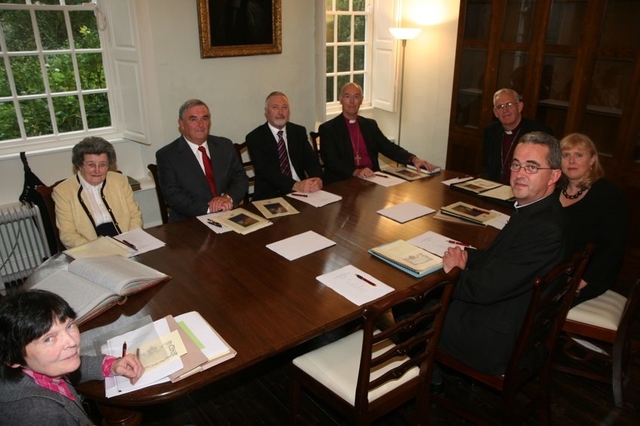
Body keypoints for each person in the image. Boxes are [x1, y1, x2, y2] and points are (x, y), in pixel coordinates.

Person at [437, 131, 566, 375]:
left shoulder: (545, 229)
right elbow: (499, 259)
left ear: (554, 176)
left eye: (531, 167)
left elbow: (485, 290)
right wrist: (463, 255)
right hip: (503, 312)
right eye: (516, 165)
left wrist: (455, 270)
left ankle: (425, 382)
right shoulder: (536, 210)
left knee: (411, 308)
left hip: (496, 338)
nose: (519, 174)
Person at [0, 289, 144, 425]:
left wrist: (110, 365)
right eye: (49, 339)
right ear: (13, 358)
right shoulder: (42, 416)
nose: (72, 341)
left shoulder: (43, 366)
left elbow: (74, 365)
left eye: (69, 325)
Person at [318, 82, 437, 184]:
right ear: (340, 99)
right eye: (347, 96)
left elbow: (388, 147)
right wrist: (356, 172)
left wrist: (413, 159)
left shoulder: (369, 125)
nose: (352, 101)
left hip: (372, 179)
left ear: (361, 100)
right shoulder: (328, 128)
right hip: (344, 181)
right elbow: (331, 161)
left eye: (356, 97)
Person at [558, 133, 627, 306]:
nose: (571, 161)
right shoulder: (553, 189)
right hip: (553, 270)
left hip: (587, 276)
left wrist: (580, 283)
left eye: (579, 155)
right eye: (566, 155)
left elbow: (613, 249)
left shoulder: (608, 195)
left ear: (592, 160)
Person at [156, 99, 248, 222]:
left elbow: (241, 178)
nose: (201, 124)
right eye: (193, 119)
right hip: (190, 222)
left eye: (205, 118)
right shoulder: (167, 155)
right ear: (181, 124)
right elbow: (174, 196)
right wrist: (210, 208)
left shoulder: (224, 145)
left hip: (228, 214)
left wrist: (227, 198)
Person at [52, 137, 143, 249]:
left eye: (102, 165)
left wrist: (130, 239)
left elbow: (135, 215)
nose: (97, 170)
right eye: (91, 165)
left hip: (127, 241)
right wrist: (97, 249)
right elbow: (68, 235)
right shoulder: (63, 191)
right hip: (90, 248)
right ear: (79, 165)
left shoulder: (120, 181)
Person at [246, 91, 323, 200]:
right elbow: (267, 172)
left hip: (304, 193)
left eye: (284, 107)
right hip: (271, 196)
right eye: (275, 107)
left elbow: (311, 161)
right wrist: (296, 185)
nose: (280, 112)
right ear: (266, 112)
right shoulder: (255, 137)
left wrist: (317, 180)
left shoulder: (298, 131)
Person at [481, 88, 553, 184]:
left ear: (520, 107)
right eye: (500, 107)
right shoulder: (490, 131)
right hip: (494, 187)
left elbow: (545, 170)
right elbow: (486, 167)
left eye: (509, 105)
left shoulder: (540, 132)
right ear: (495, 113)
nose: (505, 110)